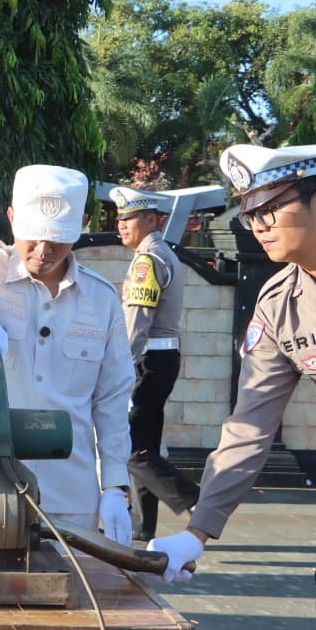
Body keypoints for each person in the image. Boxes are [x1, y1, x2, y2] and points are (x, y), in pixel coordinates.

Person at [146, 142, 316, 630]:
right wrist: (196, 532)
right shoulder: (281, 304)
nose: (257, 226)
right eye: (250, 213)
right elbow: (250, 425)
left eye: (270, 209)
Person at [0, 165, 133, 544]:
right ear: (11, 218)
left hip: (72, 496)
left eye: (57, 239)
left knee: (75, 580)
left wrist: (114, 487)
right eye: (34, 236)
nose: (43, 251)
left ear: (82, 225)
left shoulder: (101, 299)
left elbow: (112, 400)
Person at [110, 186, 200, 541]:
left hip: (146, 361)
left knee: (133, 449)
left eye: (129, 218)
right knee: (144, 444)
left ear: (151, 220)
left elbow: (137, 322)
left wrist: (120, 366)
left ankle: (195, 499)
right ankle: (142, 525)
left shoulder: (148, 260)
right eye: (119, 219)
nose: (121, 225)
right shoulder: (162, 254)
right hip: (159, 360)